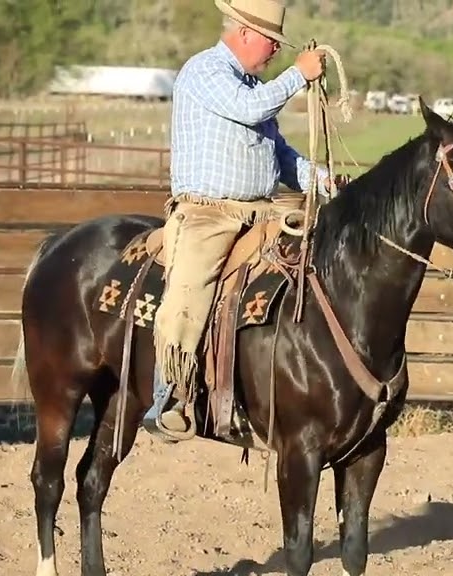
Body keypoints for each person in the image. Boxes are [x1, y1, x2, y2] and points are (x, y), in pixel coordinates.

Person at [144, 0, 339, 441]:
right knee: (192, 287)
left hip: (262, 211)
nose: (275, 52)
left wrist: (325, 182)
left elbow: (282, 157)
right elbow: (250, 109)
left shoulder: (250, 83)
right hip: (207, 214)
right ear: (246, 33)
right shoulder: (206, 71)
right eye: (273, 42)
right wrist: (298, 75)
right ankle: (170, 392)